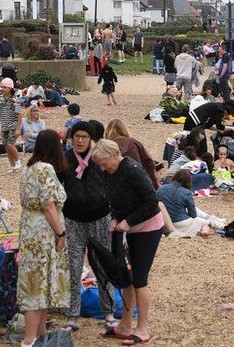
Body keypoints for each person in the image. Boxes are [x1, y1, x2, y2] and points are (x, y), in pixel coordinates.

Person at [92, 139, 164, 346]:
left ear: (115, 155)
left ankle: (141, 329)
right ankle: (124, 325)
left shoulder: (133, 170)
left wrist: (128, 221)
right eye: (99, 164)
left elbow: (152, 202)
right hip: (127, 227)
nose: (102, 167)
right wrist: (115, 218)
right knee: (127, 276)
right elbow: (116, 200)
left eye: (104, 162)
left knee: (140, 278)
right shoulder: (109, 171)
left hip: (148, 227)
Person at [58, 121, 114, 334]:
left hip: (100, 217)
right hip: (73, 219)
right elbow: (55, 186)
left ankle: (108, 312)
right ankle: (72, 314)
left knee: (102, 265)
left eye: (84, 137)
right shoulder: (65, 159)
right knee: (73, 267)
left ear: (91, 139)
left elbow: (112, 182)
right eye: (76, 136)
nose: (80, 140)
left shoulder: (100, 158)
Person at [18, 129, 70, 346]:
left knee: (38, 279)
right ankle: (30, 340)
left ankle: (39, 336)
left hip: (29, 227)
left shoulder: (28, 168)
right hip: (44, 230)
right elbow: (49, 205)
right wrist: (61, 233)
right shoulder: (46, 169)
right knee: (38, 283)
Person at [157, 169, 223, 237]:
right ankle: (205, 231)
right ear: (188, 181)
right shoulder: (186, 192)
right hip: (181, 222)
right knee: (204, 224)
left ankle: (212, 221)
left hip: (164, 223)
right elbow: (193, 214)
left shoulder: (161, 188)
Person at [104, 119, 158, 188]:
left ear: (108, 131)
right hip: (139, 183)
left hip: (117, 186)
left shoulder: (107, 147)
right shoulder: (135, 143)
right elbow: (150, 163)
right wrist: (144, 175)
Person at [0, 78, 22, 173]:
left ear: (10, 88)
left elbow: (20, 114)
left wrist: (18, 129)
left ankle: (18, 163)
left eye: (4, 87)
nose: (2, 89)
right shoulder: (0, 98)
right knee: (6, 146)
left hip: (13, 125)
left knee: (10, 144)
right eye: (1, 87)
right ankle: (13, 165)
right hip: (4, 125)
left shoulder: (15, 99)